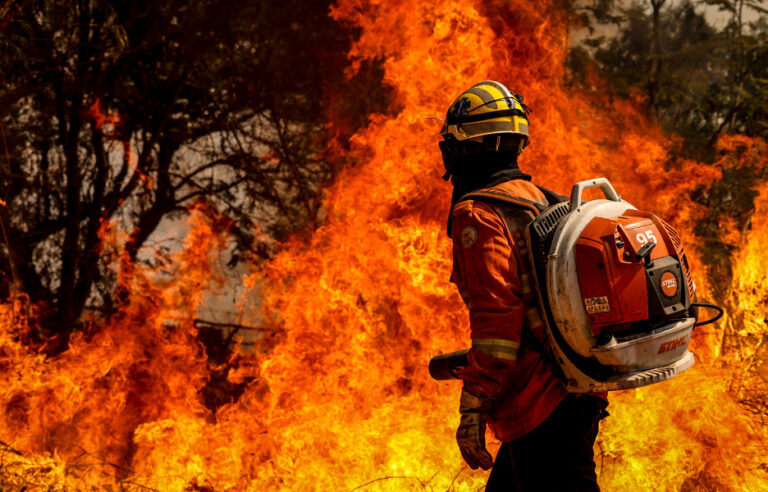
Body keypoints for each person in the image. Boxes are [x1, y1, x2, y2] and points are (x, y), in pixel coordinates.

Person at [440, 80, 609, 491]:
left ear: (468, 148)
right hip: (576, 387)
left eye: (453, 145)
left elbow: (497, 321)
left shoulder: (479, 215)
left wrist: (474, 403)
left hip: (539, 400)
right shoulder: (538, 199)